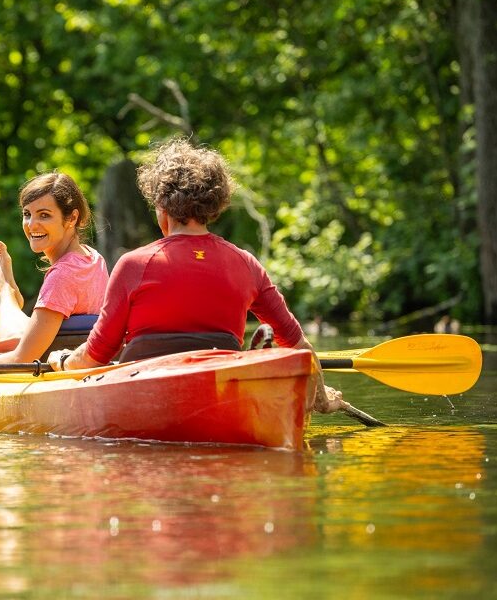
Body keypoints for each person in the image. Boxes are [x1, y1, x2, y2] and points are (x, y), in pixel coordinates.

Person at [48, 138, 345, 413]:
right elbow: (300, 347)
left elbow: (96, 356)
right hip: (222, 399)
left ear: (161, 207)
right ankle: (254, 372)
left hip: (144, 401)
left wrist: (62, 361)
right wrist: (322, 399)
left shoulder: (134, 264)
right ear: (214, 205)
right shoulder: (247, 264)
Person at [0, 172, 109, 365]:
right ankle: (1, 305)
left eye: (44, 215)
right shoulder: (94, 258)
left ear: (72, 218)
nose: (32, 225)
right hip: (65, 345)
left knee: (13, 315)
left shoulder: (61, 276)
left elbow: (21, 358)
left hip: (59, 356)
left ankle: (5, 292)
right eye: (27, 214)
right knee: (24, 328)